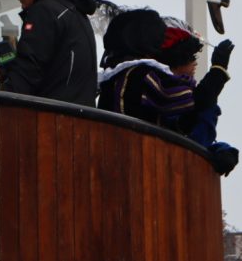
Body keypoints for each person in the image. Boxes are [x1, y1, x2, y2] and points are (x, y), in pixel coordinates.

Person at [97, 10, 237, 175]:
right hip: (132, 165)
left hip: (132, 162)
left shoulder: (126, 75)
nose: (194, 64)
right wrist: (217, 72)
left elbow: (178, 127)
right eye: (189, 57)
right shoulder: (139, 75)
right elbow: (193, 103)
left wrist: (219, 149)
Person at [0, 0, 97, 105]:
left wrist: (3, 101)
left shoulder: (44, 11)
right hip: (76, 118)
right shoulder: (73, 11)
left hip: (49, 119)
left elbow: (28, 70)